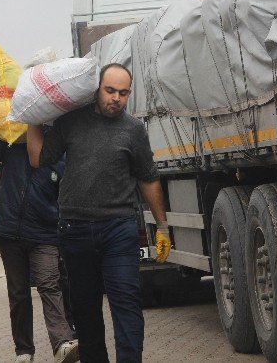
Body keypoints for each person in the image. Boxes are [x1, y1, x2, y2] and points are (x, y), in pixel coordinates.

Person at [27, 63, 171, 363]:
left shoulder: (133, 130)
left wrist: (162, 226)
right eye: (110, 91)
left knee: (127, 304)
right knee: (85, 310)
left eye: (122, 93)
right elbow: (39, 158)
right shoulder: (71, 122)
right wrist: (32, 118)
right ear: (97, 89)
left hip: (118, 229)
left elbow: (148, 177)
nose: (115, 98)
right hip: (75, 231)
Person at [0, 92, 78, 363]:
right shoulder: (11, 144)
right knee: (18, 295)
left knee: (50, 285)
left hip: (44, 234)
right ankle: (24, 351)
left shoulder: (61, 156)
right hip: (9, 231)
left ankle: (62, 342)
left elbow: (66, 196)